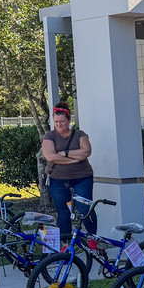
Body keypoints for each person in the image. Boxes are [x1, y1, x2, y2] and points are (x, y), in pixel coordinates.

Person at [42, 102, 95, 238]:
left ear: (69, 120)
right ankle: (65, 243)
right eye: (56, 121)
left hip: (82, 177)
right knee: (63, 211)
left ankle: (92, 239)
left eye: (62, 121)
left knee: (85, 209)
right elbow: (51, 156)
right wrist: (74, 158)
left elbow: (86, 152)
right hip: (57, 179)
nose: (59, 124)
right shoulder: (49, 136)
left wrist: (64, 153)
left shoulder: (80, 134)